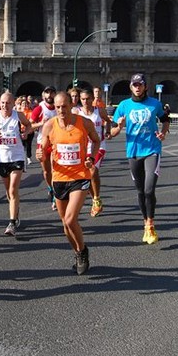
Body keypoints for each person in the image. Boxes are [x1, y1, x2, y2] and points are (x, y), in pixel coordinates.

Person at [37, 91, 100, 275]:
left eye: (64, 106)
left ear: (71, 105)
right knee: (65, 224)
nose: (61, 110)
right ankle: (78, 252)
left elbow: (96, 141)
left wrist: (91, 157)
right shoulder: (49, 125)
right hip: (60, 178)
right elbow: (42, 148)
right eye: (57, 107)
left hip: (80, 176)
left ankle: (82, 251)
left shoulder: (84, 123)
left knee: (71, 219)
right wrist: (40, 154)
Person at [111, 73, 170, 244]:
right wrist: (119, 127)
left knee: (149, 190)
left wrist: (163, 133)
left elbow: (165, 120)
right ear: (131, 87)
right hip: (133, 152)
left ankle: (150, 224)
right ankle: (145, 222)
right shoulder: (123, 106)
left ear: (145, 86)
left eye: (140, 85)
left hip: (152, 150)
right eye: (134, 85)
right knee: (140, 191)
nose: (137, 88)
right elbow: (112, 133)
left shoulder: (154, 104)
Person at [0, 92, 32, 236]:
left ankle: (11, 223)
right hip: (2, 158)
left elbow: (29, 126)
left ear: (13, 104)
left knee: (12, 190)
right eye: (3, 103)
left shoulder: (18, 115)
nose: (5, 105)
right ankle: (15, 212)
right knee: (9, 192)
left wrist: (26, 133)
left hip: (17, 157)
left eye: (8, 103)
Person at [76, 88, 113, 217]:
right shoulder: (77, 112)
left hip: (98, 145)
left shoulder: (99, 110)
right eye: (83, 99)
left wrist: (107, 132)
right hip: (83, 147)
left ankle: (96, 199)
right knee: (87, 174)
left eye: (88, 99)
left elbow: (108, 121)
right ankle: (95, 200)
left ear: (92, 99)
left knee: (92, 170)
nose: (85, 101)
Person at [30, 86, 57, 210]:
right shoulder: (39, 108)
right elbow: (29, 126)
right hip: (43, 143)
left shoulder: (59, 107)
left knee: (55, 170)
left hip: (57, 143)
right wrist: (41, 123)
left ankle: (56, 197)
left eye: (52, 93)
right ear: (43, 95)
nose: (49, 95)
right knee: (47, 172)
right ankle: (50, 188)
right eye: (47, 93)